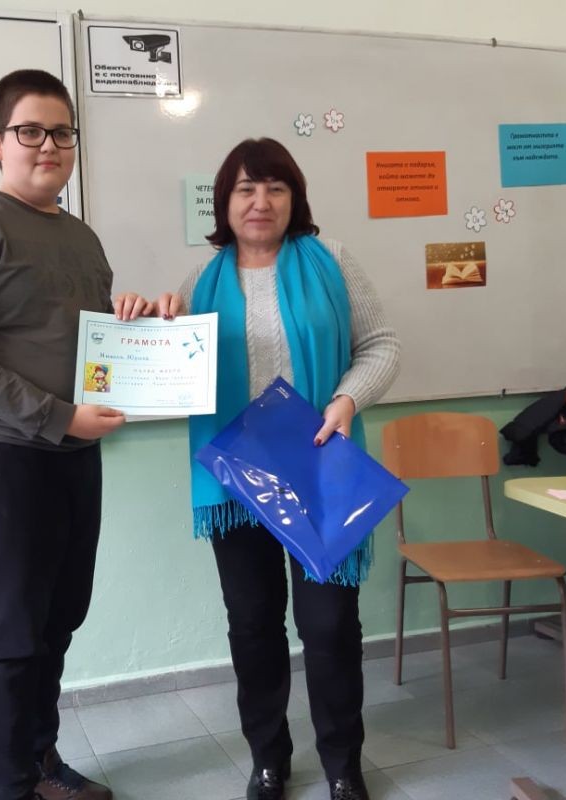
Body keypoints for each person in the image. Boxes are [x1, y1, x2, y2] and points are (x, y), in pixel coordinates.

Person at [0, 69, 151, 800]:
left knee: (59, 620)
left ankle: (40, 762)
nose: (48, 145)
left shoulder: (82, 237)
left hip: (75, 459)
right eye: (30, 131)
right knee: (12, 635)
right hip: (6, 459)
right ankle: (10, 787)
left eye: (62, 132)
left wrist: (136, 330)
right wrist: (58, 417)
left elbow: (90, 352)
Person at [147, 138, 400, 800]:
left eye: (275, 188)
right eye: (245, 188)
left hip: (317, 466)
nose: (260, 201)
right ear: (224, 202)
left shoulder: (331, 261)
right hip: (235, 478)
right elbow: (171, 372)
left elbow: (381, 345)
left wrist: (347, 400)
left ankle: (343, 764)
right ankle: (268, 759)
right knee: (254, 625)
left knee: (329, 625)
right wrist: (151, 331)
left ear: (295, 198)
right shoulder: (198, 284)